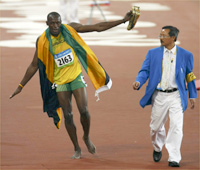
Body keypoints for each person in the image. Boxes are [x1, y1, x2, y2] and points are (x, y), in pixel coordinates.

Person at [10, 11, 133, 159]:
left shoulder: (70, 29)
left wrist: (123, 20)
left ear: (61, 22)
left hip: (75, 76)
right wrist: (20, 86)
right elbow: (33, 65)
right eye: (53, 23)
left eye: (58, 23)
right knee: (68, 115)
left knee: (84, 111)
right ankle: (76, 147)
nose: (56, 26)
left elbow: (97, 27)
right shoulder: (42, 40)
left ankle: (86, 137)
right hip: (60, 81)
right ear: (47, 24)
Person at [132, 26, 197, 167]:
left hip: (176, 96)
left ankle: (174, 157)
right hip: (159, 96)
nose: (160, 38)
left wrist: (192, 95)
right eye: (160, 35)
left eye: (163, 36)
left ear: (173, 38)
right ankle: (157, 146)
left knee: (176, 126)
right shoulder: (153, 53)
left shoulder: (186, 55)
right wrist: (139, 81)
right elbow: (144, 71)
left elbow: (189, 76)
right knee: (155, 127)